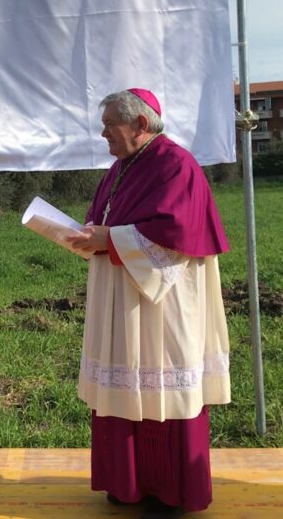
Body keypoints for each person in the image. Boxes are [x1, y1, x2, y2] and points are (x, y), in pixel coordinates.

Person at [68, 89, 231, 519]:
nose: (103, 133)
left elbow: (175, 237)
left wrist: (109, 239)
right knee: (124, 385)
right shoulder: (122, 167)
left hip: (163, 304)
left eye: (109, 125)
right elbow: (107, 221)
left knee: (159, 385)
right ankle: (128, 484)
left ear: (140, 124)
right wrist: (89, 235)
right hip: (123, 296)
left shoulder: (176, 165)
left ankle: (169, 491)